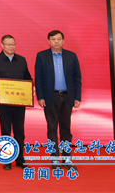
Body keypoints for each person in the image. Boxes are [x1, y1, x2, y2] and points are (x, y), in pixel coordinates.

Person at [0, 35, 33, 170]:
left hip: (19, 102)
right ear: (2, 45)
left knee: (19, 131)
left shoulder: (22, 60)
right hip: (3, 103)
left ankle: (20, 160)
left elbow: (27, 78)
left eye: (13, 44)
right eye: (8, 44)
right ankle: (7, 159)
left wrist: (31, 88)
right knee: (6, 131)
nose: (11, 47)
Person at [35, 30, 82, 171]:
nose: (56, 41)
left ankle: (67, 159)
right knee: (52, 129)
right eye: (53, 39)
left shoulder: (72, 56)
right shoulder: (41, 56)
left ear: (63, 41)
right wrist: (40, 97)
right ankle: (54, 159)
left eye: (59, 39)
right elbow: (38, 78)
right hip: (50, 97)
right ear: (48, 41)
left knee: (66, 129)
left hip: (67, 97)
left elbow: (77, 78)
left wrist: (77, 97)